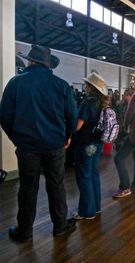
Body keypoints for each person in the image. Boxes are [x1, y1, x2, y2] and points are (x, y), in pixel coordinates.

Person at [0, 45, 77, 242]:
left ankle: (25, 231)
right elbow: (72, 116)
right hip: (55, 145)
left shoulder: (16, 83)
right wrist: (67, 136)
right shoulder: (61, 85)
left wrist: (16, 137)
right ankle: (60, 226)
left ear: (30, 61)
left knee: (27, 188)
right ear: (47, 64)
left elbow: (4, 116)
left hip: (27, 147)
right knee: (56, 185)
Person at [73, 72, 108, 220]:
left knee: (84, 176)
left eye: (87, 84)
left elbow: (77, 126)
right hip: (97, 143)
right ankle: (96, 207)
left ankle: (86, 211)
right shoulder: (103, 103)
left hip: (86, 144)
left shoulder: (88, 103)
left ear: (91, 87)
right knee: (93, 175)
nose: (85, 86)